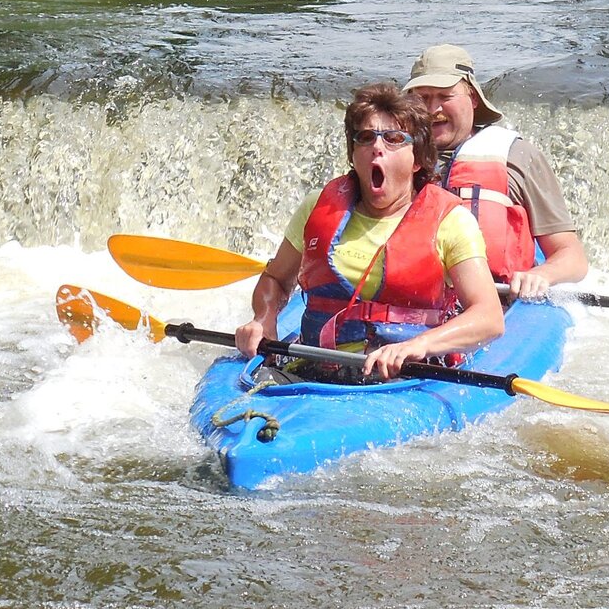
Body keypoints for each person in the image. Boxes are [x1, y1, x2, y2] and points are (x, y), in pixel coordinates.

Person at [234, 83, 504, 381]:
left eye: (394, 139)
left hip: (405, 377)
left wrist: (418, 345)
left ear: (417, 159)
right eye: (365, 138)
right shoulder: (317, 207)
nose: (377, 147)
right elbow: (275, 279)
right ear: (353, 155)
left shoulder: (451, 221)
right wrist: (264, 318)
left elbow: (489, 318)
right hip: (315, 367)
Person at [403, 44, 588, 301]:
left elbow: (572, 256)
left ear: (473, 98)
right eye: (423, 98)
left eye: (445, 96)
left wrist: (542, 275)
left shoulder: (518, 156)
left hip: (497, 299)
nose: (433, 109)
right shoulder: (388, 152)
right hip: (413, 301)